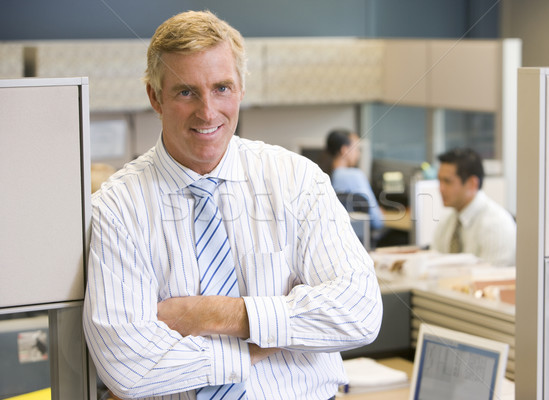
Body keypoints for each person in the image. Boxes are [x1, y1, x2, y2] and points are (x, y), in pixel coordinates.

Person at [82, 10, 382, 400]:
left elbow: (359, 312)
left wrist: (207, 314)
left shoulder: (296, 180)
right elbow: (128, 366)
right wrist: (272, 338)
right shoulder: (116, 207)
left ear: (241, 88)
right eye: (186, 91)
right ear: (155, 97)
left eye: (221, 87)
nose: (207, 111)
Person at [430, 147, 516, 266]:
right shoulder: (447, 222)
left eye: (447, 182)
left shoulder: (496, 225)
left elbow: (490, 278)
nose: (440, 189)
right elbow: (431, 268)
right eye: (439, 181)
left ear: (472, 183)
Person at [326, 129, 384, 231]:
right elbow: (377, 221)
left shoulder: (325, 176)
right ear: (344, 150)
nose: (358, 154)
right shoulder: (355, 176)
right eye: (356, 149)